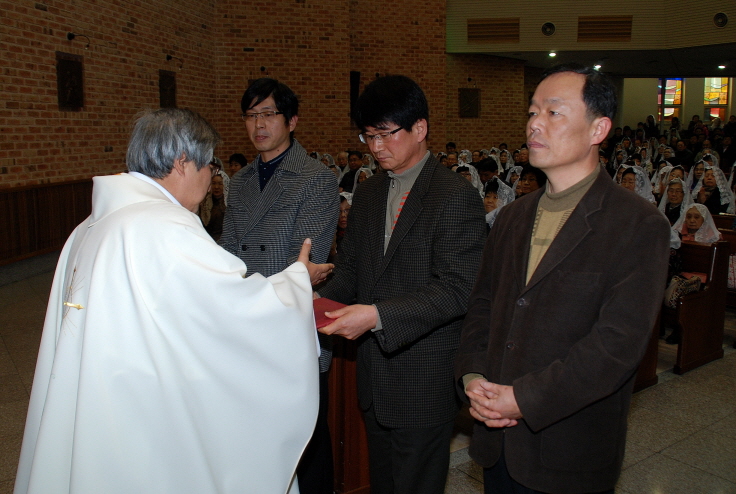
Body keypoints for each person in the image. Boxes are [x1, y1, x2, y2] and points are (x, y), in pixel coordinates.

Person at [14, 108, 321, 494]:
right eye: (210, 166)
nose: (211, 179)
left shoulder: (88, 227)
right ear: (182, 162)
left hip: (103, 399)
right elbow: (235, 312)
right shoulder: (163, 228)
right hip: (142, 414)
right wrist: (297, 281)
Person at [455, 64, 671, 494]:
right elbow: (482, 306)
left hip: (569, 448)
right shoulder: (513, 216)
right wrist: (473, 378)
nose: (535, 124)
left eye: (554, 112)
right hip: (497, 441)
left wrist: (523, 399)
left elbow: (617, 344)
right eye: (533, 112)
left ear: (598, 129)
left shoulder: (637, 224)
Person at [316, 75, 486, 494]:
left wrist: (376, 316)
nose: (376, 147)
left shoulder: (454, 196)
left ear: (420, 128)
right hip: (375, 375)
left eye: (385, 134)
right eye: (369, 136)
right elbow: (352, 270)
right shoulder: (370, 193)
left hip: (423, 378)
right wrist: (309, 297)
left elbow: (457, 289)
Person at [219, 78, 340, 494]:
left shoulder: (316, 178)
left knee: (306, 441)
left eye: (269, 114)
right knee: (256, 437)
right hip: (248, 325)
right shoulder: (241, 179)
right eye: (251, 115)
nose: (259, 125)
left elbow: (303, 265)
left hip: (290, 326)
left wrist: (249, 298)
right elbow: (228, 252)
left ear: (292, 121)